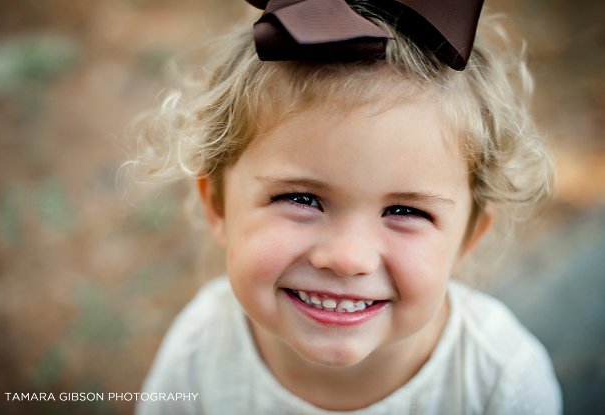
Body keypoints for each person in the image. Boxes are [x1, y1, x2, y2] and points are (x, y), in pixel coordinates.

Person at [133, 0, 562, 413]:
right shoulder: (198, 353)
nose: (347, 258)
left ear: (469, 236)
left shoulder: (502, 383)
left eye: (406, 211)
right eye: (301, 199)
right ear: (218, 205)